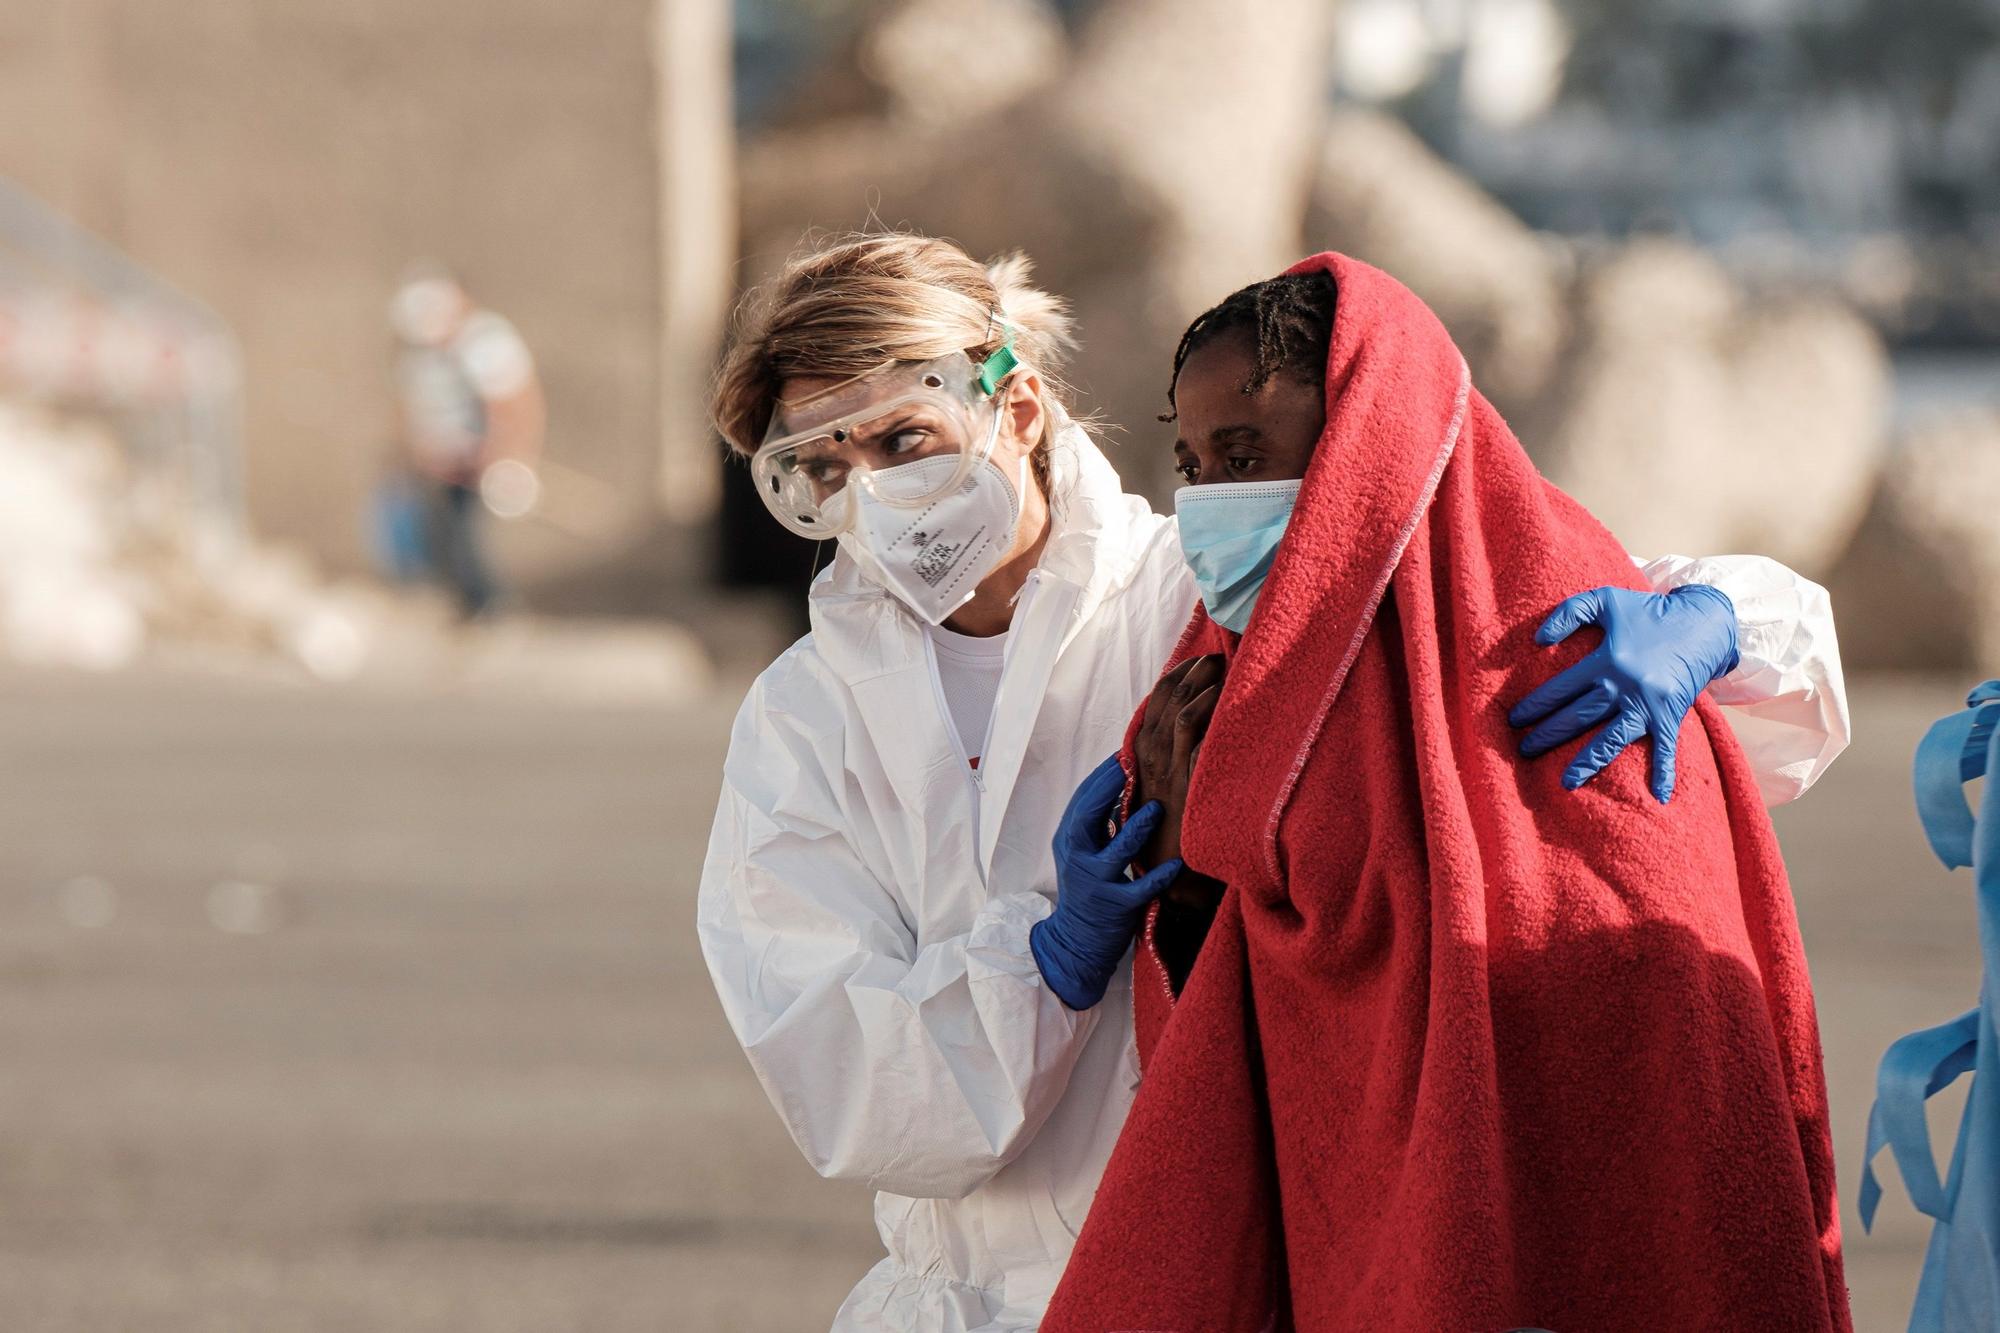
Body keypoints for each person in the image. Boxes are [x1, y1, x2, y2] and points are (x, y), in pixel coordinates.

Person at [694, 233, 1848, 1332]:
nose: (874, 495)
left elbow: (1505, 598)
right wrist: (1045, 959)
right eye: (821, 469)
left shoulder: (1213, 598)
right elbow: (843, 1082)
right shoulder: (805, 721)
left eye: (902, 441)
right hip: (964, 1297)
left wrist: (1716, 622)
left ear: (1018, 406)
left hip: (1251, 1268)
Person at [1042, 256, 1850, 1332]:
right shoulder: (1223, 700)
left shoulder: (1565, 638)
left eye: (1247, 455)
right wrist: (1176, 890)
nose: (1210, 504)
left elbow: (1659, 989)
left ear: (1363, 445)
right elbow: (1245, 1041)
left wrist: (1714, 618)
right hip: (1356, 1248)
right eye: (1192, 465)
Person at [388, 264, 544, 618]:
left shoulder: (484, 341)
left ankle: (488, 607)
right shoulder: (420, 350)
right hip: (440, 462)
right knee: (439, 535)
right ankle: (465, 606)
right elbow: (410, 404)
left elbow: (509, 403)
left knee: (464, 537)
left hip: (472, 462)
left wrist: (506, 454)